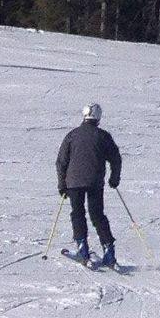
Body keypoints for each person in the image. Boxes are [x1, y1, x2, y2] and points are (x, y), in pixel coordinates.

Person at [58, 103, 123, 269]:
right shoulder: (103, 136)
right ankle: (109, 252)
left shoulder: (72, 135)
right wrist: (114, 178)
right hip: (95, 182)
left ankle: (83, 249)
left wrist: (62, 184)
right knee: (97, 215)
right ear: (98, 118)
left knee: (78, 213)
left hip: (74, 182)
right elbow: (115, 158)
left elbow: (61, 162)